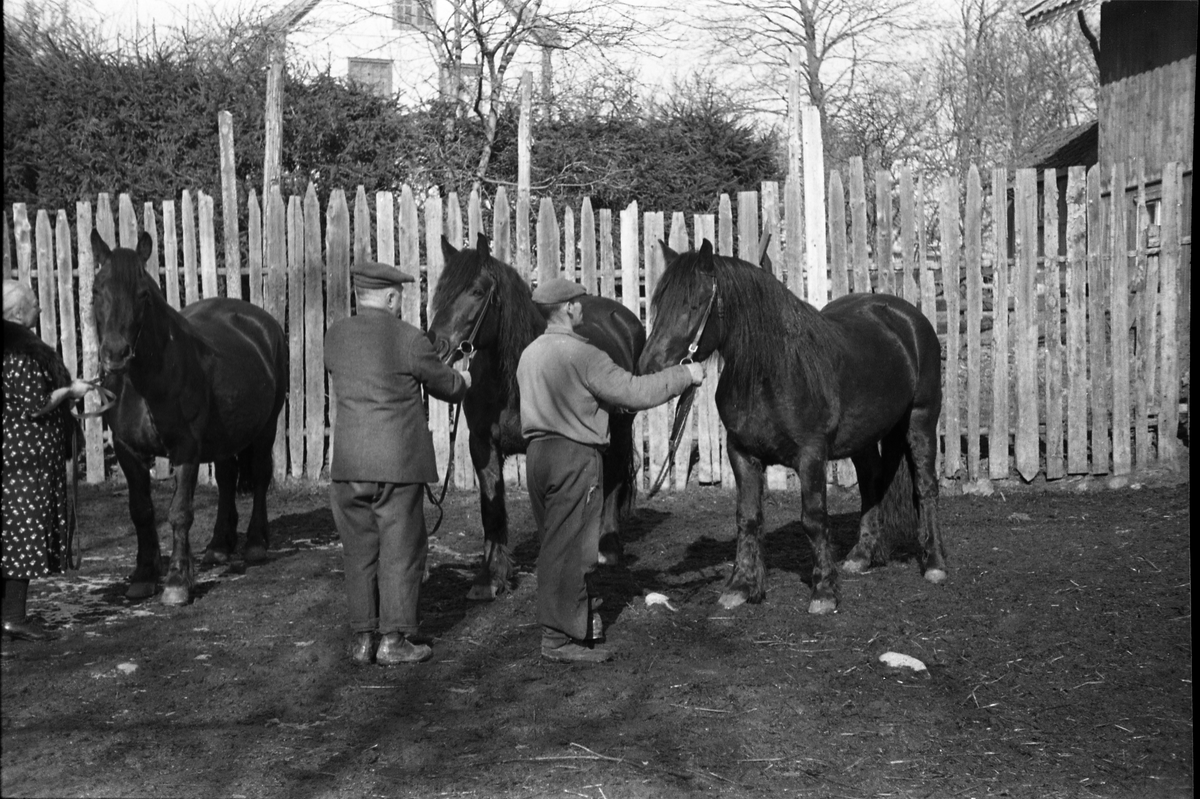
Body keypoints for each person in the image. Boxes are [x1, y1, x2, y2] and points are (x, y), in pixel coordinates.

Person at [517, 278, 704, 663]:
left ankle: (566, 627)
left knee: (554, 546)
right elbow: (635, 391)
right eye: (579, 303)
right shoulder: (585, 354)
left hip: (537, 457)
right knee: (575, 550)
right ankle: (561, 640)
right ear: (568, 308)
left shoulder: (530, 353)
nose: (583, 308)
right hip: (574, 458)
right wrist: (685, 376)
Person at [324, 262, 471, 666]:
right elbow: (446, 385)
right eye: (399, 297)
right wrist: (465, 379)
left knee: (358, 552)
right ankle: (393, 640)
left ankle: (362, 640)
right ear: (390, 297)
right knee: (401, 550)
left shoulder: (335, 337)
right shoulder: (409, 339)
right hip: (397, 466)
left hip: (348, 466)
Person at [3, 280, 92, 641]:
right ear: (18, 312)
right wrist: (70, 391)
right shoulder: (21, 353)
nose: (40, 308)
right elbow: (36, 404)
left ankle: (9, 615)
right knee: (21, 534)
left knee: (11, 534)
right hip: (26, 460)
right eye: (34, 304)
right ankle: (13, 618)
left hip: (19, 456)